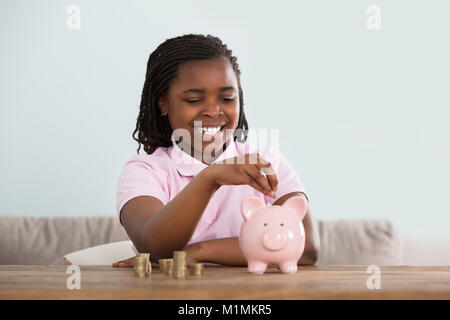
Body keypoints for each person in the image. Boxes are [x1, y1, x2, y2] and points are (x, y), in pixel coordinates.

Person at [113, 34, 320, 268]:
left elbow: (306, 247)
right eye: (193, 100)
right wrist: (210, 177)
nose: (213, 110)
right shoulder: (145, 171)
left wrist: (200, 251)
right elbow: (155, 247)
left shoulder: (267, 162)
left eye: (227, 98)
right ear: (163, 103)